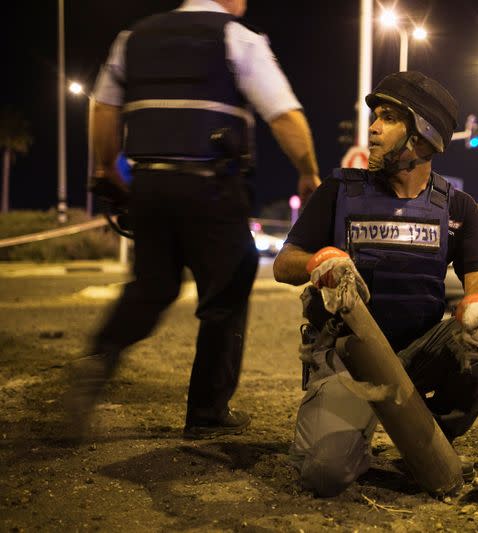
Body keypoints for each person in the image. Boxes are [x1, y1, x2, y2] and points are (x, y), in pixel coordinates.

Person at [66, 0, 320, 441]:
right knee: (228, 289)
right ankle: (206, 411)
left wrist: (106, 168)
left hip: (149, 185)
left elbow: (103, 108)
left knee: (152, 288)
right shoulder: (237, 38)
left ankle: (98, 357)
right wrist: (307, 171)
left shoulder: (132, 38)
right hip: (212, 185)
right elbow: (284, 114)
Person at [273, 71, 478, 497]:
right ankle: (355, 428)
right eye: (375, 116)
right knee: (326, 476)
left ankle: (426, 431)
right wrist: (320, 260)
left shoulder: (457, 206)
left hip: (416, 352)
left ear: (423, 136)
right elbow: (284, 263)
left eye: (388, 118)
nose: (372, 128)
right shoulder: (339, 190)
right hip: (348, 355)